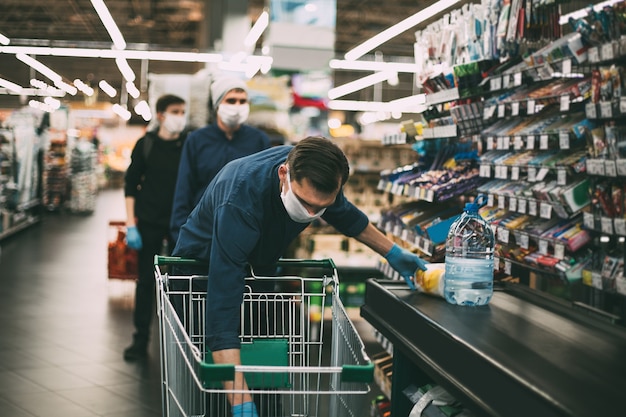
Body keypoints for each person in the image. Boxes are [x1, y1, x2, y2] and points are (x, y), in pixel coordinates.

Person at [171, 136, 427, 416]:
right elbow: (222, 315)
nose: (310, 213)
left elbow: (345, 215)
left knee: (266, 383)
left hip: (258, 272)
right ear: (284, 173)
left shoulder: (316, 168)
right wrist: (242, 405)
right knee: (214, 390)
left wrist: (392, 252)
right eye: (304, 202)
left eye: (320, 207)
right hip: (202, 275)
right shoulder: (240, 202)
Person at [123, 94, 187, 361]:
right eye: (175, 111)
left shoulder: (188, 146)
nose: (180, 117)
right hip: (148, 222)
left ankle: (181, 342)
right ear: (160, 114)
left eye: (183, 112)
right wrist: (130, 225)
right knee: (145, 282)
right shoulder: (145, 144)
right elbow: (130, 185)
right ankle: (140, 340)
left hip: (181, 225)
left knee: (181, 284)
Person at [169, 76, 270, 242]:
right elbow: (184, 190)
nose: (237, 107)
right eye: (231, 100)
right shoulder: (197, 140)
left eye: (242, 101)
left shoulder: (259, 141)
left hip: (244, 232)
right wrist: (180, 235)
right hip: (202, 230)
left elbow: (267, 192)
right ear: (217, 105)